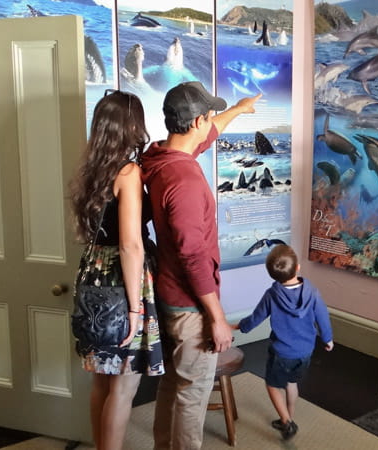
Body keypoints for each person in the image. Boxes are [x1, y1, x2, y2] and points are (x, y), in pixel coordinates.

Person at [140, 81, 261, 450]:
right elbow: (193, 256)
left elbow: (207, 134)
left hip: (169, 294)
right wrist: (217, 317)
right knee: (193, 397)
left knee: (174, 384)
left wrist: (238, 109)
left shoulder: (159, 156)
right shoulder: (186, 179)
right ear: (195, 123)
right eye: (207, 116)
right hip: (190, 304)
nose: (211, 123)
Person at [69, 89, 164, 450]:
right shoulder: (127, 171)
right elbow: (130, 244)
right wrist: (136, 309)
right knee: (124, 386)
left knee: (101, 380)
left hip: (91, 274)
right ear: (131, 126)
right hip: (121, 282)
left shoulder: (91, 169)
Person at [232, 244, 334, 440]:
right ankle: (288, 417)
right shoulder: (312, 292)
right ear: (297, 268)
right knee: (291, 383)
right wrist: (328, 339)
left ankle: (287, 422)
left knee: (272, 385)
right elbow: (323, 316)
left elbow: (255, 318)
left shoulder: (272, 294)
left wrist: (238, 327)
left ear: (272, 275)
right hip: (305, 351)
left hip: (282, 353)